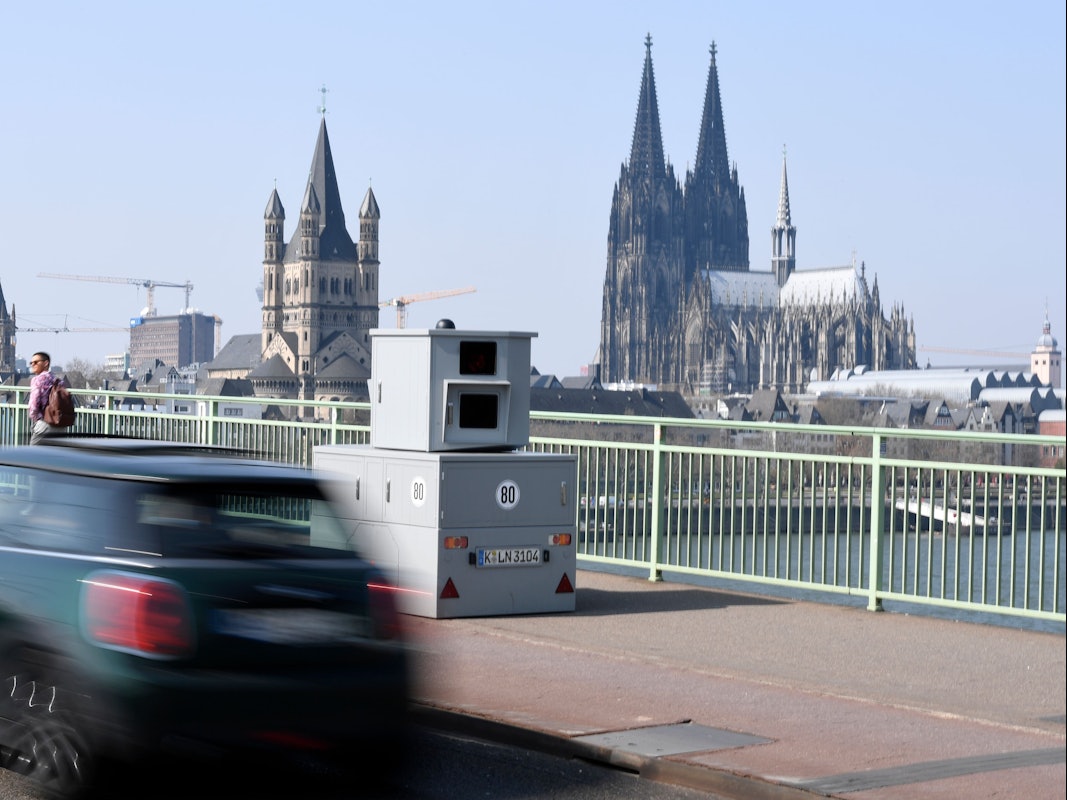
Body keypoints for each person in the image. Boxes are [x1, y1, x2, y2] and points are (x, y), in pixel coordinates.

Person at [27, 351, 62, 444]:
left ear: (46, 363)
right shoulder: (56, 379)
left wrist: (36, 419)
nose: (33, 365)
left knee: (33, 455)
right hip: (60, 424)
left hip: (44, 423)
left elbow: (34, 404)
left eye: (36, 362)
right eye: (31, 363)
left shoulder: (37, 380)